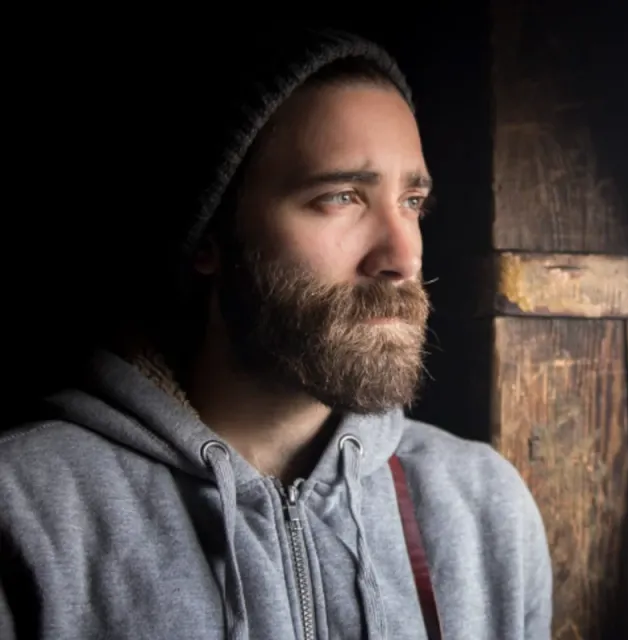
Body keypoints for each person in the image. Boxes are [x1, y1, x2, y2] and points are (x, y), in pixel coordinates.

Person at [0, 26, 552, 640]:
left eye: (412, 202)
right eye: (341, 197)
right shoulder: (26, 509)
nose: (404, 256)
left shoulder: (483, 509)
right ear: (212, 238)